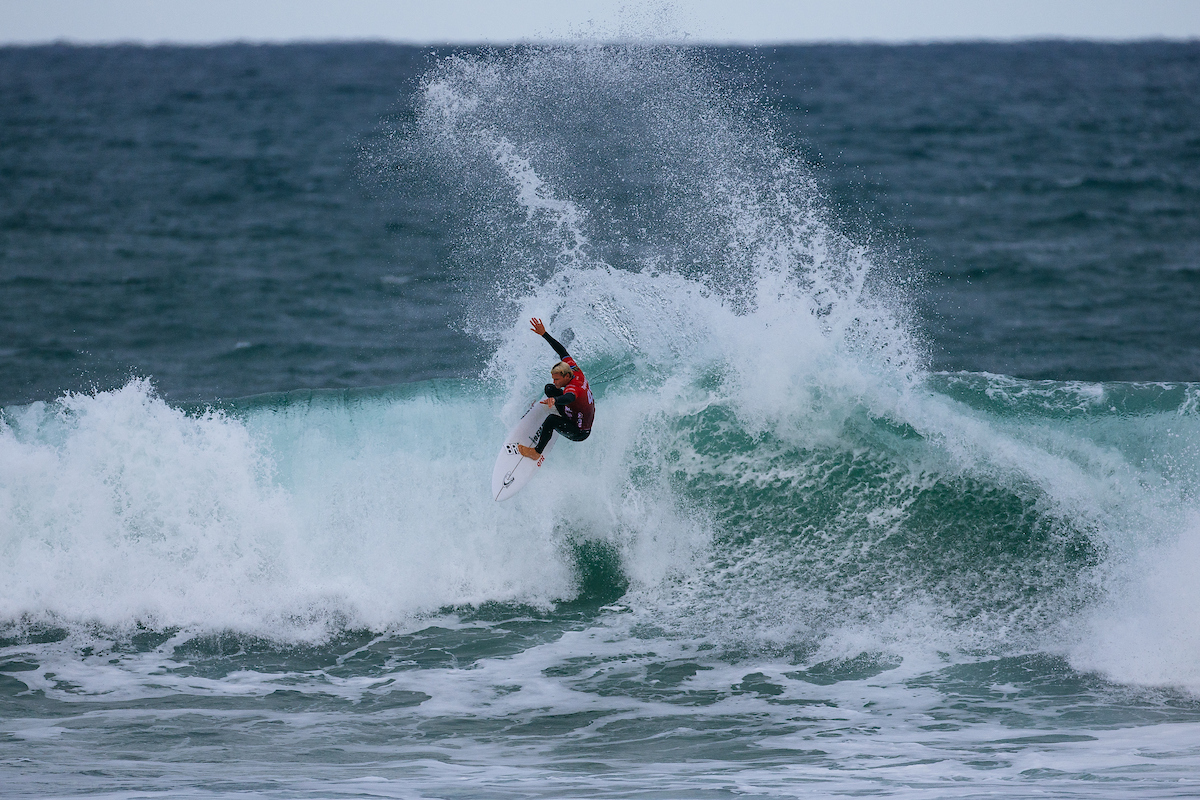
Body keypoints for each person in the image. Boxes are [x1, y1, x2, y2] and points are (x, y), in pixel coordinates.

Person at [517, 317, 595, 459]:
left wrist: (555, 400)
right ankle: (559, 413)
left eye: (557, 379)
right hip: (574, 413)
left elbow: (569, 397)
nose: (555, 382)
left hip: (579, 431)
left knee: (551, 420)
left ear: (566, 376)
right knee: (549, 388)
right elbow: (562, 351)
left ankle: (536, 452)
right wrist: (544, 334)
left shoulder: (573, 389)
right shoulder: (574, 370)